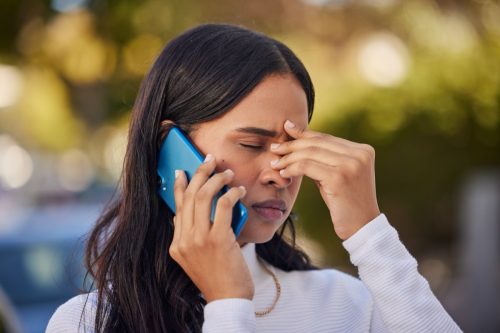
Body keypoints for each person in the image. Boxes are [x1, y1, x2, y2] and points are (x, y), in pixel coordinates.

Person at [46, 23, 462, 332]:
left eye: (292, 148)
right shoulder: (87, 323)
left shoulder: (345, 303)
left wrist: (370, 234)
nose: (280, 173)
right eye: (252, 144)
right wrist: (229, 304)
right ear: (168, 148)